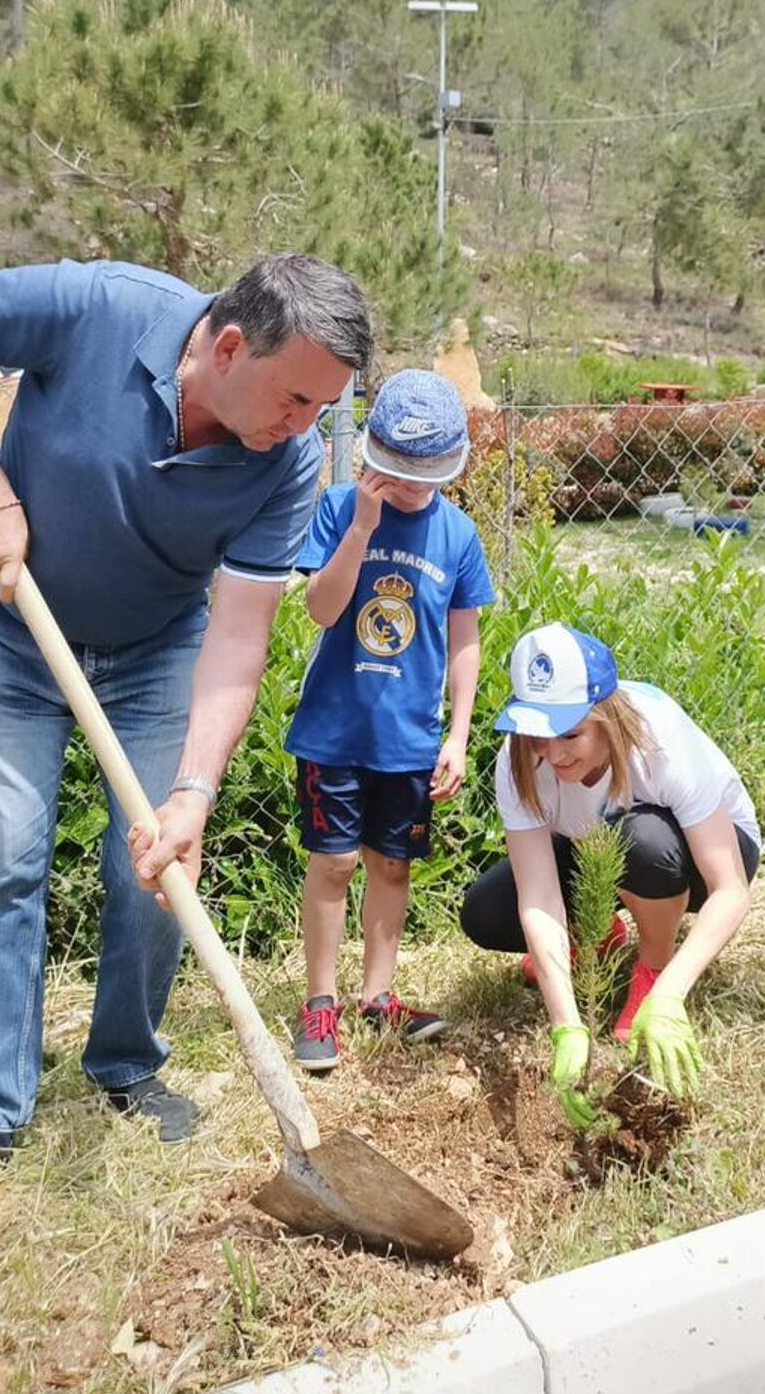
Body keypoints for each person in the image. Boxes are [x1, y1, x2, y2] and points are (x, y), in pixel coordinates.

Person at [0, 254, 372, 1207]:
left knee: (154, 867)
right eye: (297, 397)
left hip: (155, 650)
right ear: (229, 347)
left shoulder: (286, 463)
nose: (304, 427)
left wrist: (194, 791)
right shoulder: (98, 307)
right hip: (6, 624)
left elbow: (238, 635)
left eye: (323, 408)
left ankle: (126, 1065)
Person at [459, 625, 760, 1125]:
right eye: (538, 735)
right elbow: (538, 897)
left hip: (707, 856)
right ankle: (599, 936)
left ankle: (652, 969)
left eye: (571, 734)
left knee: (641, 843)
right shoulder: (518, 762)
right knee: (486, 914)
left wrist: (670, 996)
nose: (553, 755)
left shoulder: (658, 742)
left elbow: (731, 889)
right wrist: (567, 1029)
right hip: (599, 845)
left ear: (606, 716)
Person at [284, 370, 495, 1071]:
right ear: (370, 454)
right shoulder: (341, 509)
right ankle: (321, 1002)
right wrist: (364, 529)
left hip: (409, 738)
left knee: (392, 866)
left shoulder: (458, 535)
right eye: (396, 472)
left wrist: (458, 735)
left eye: (425, 473)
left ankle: (379, 996)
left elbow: (464, 641)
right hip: (334, 730)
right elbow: (321, 608)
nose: (409, 487)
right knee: (335, 861)